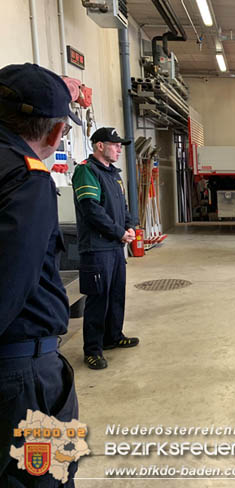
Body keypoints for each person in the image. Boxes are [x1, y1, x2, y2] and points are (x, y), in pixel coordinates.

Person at [0, 63, 81, 486]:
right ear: (53, 134)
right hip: (21, 372)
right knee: (43, 475)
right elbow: (9, 282)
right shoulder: (26, 178)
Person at [72, 127, 139, 370]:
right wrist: (119, 232)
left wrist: (130, 226)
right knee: (98, 298)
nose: (119, 149)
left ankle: (113, 336)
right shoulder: (86, 171)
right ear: (100, 146)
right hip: (97, 248)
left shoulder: (114, 174)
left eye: (121, 145)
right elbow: (92, 210)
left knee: (116, 293)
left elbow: (123, 206)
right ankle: (92, 349)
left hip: (114, 247)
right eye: (115, 144)